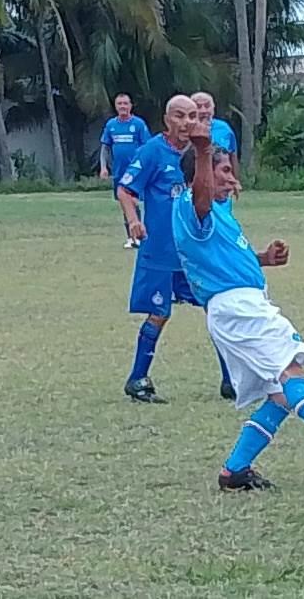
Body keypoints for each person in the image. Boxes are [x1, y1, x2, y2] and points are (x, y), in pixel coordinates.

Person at [172, 122, 304, 491]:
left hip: (237, 305)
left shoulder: (219, 213)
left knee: (279, 396)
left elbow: (222, 258)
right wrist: (205, 151)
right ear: (203, 173)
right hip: (239, 309)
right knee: (290, 368)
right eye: (224, 170)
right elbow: (201, 196)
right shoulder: (193, 207)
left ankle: (235, 470)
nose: (230, 177)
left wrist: (263, 260)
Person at [116, 95, 236, 403]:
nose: (187, 123)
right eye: (180, 116)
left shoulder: (201, 153)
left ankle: (230, 379)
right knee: (158, 313)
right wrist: (134, 220)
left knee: (216, 308)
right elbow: (126, 189)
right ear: (168, 120)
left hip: (193, 252)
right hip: (161, 251)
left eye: (193, 116)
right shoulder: (153, 151)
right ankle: (138, 378)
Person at [99, 93, 151, 248]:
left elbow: (146, 148)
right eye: (119, 103)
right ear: (116, 106)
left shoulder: (139, 124)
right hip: (119, 172)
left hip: (135, 173)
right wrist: (103, 167)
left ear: (130, 106)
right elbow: (105, 147)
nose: (123, 106)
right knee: (125, 204)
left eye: (125, 103)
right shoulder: (111, 125)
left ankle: (141, 235)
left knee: (135, 202)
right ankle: (131, 237)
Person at [191, 92, 240, 192]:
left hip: (221, 186)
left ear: (213, 108)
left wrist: (235, 180)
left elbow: (232, 155)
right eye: (198, 106)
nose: (203, 110)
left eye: (207, 106)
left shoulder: (224, 128)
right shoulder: (187, 129)